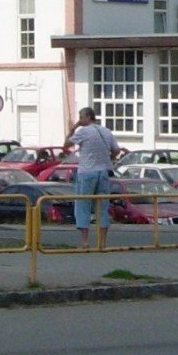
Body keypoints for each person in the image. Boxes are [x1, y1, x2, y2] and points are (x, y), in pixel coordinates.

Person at [66, 106, 121, 250]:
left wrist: (74, 127)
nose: (80, 120)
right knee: (103, 207)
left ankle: (85, 242)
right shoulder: (106, 131)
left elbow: (66, 144)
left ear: (87, 117)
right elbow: (116, 150)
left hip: (86, 172)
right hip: (103, 172)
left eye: (81, 117)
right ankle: (102, 243)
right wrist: (109, 158)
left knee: (83, 206)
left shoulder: (83, 131)